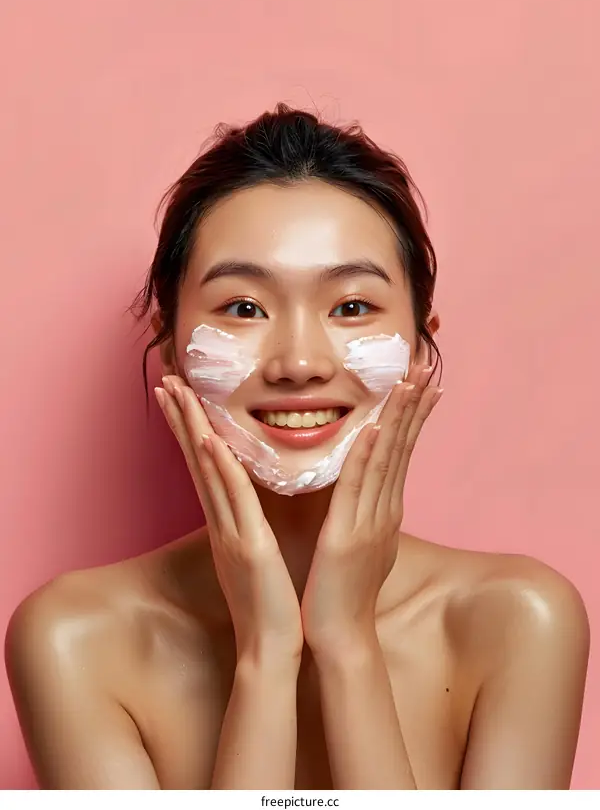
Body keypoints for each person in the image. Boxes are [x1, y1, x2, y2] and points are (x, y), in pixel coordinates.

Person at [5, 105, 590, 790]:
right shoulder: (74, 638)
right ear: (169, 348)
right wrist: (267, 654)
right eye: (244, 307)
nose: (299, 361)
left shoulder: (518, 620)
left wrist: (347, 646)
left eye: (351, 307)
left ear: (421, 347)